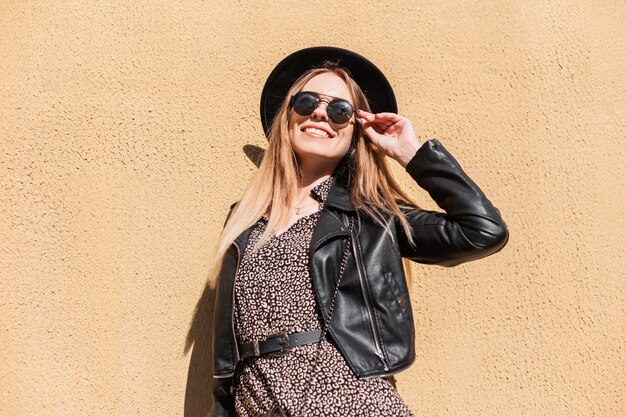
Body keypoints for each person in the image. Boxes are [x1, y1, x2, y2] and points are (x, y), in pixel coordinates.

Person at [208, 47, 509, 417]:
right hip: (257, 405)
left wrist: (410, 153)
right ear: (287, 116)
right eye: (306, 102)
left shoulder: (370, 218)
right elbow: (229, 355)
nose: (320, 112)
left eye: (339, 110)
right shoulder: (244, 219)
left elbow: (482, 231)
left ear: (355, 133)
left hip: (350, 403)